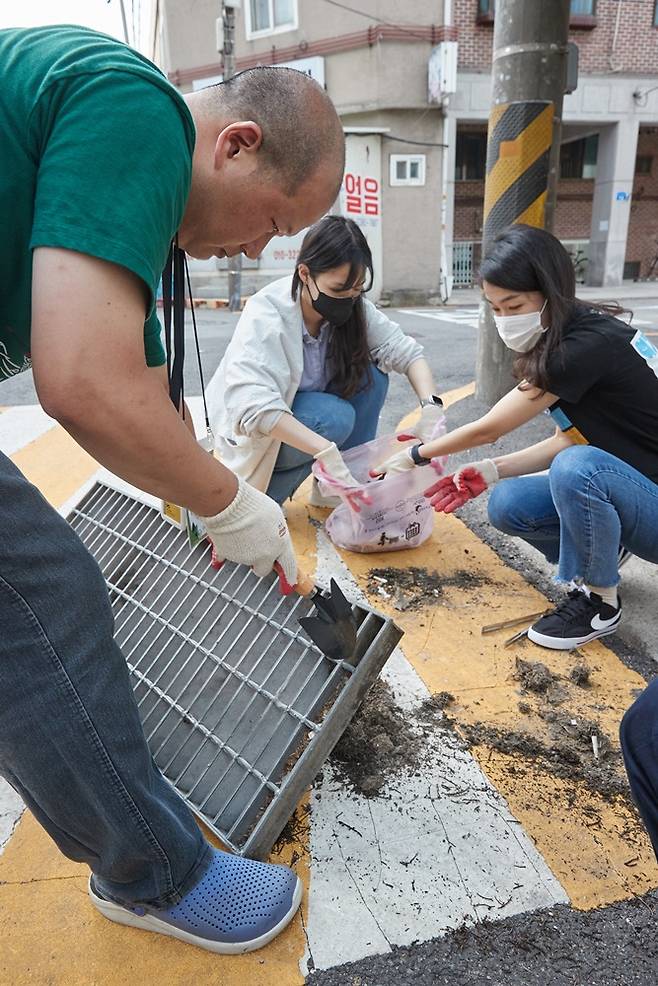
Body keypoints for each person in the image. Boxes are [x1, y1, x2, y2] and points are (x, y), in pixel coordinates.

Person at [0, 24, 345, 954]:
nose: (248, 252)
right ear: (235, 145)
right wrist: (238, 504)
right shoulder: (134, 108)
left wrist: (205, 501)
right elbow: (82, 384)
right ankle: (153, 874)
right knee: (40, 595)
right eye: (270, 224)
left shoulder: (123, 187)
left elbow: (146, 400)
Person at [374, 224, 658, 651]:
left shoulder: (580, 349)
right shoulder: (575, 333)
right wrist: (491, 471)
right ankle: (606, 552)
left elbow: (490, 428)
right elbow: (572, 438)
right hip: (636, 489)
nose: (505, 319)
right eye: (495, 308)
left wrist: (416, 454)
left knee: (577, 470)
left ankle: (599, 603)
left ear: (550, 291)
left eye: (515, 305)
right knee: (508, 504)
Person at [206, 215, 442, 508]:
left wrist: (431, 408)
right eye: (339, 290)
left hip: (304, 423)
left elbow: (407, 353)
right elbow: (254, 408)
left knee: (372, 376)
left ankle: (341, 487)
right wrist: (327, 453)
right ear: (305, 274)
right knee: (334, 417)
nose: (348, 299)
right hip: (261, 434)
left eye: (356, 291)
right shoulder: (268, 314)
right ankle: (267, 497)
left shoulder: (353, 306)